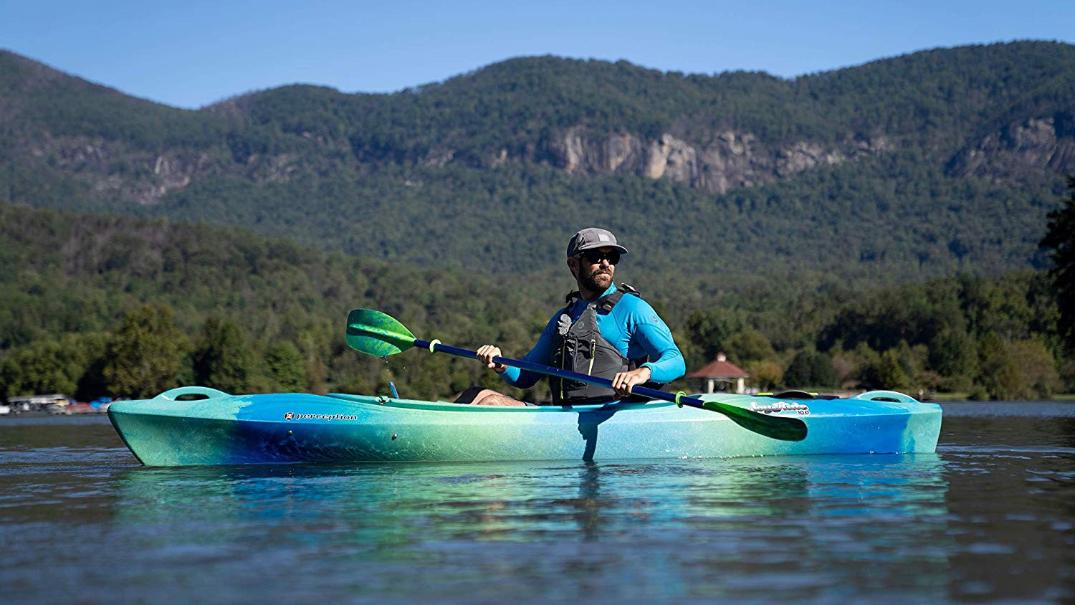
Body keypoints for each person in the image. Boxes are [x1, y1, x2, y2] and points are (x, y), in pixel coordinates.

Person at [462, 227, 685, 406]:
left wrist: (642, 373)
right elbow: (525, 376)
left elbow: (676, 360)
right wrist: (500, 363)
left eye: (612, 257)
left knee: (492, 402)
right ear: (573, 264)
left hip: (609, 416)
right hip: (563, 418)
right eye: (595, 256)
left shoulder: (633, 309)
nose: (605, 263)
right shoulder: (564, 318)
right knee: (475, 394)